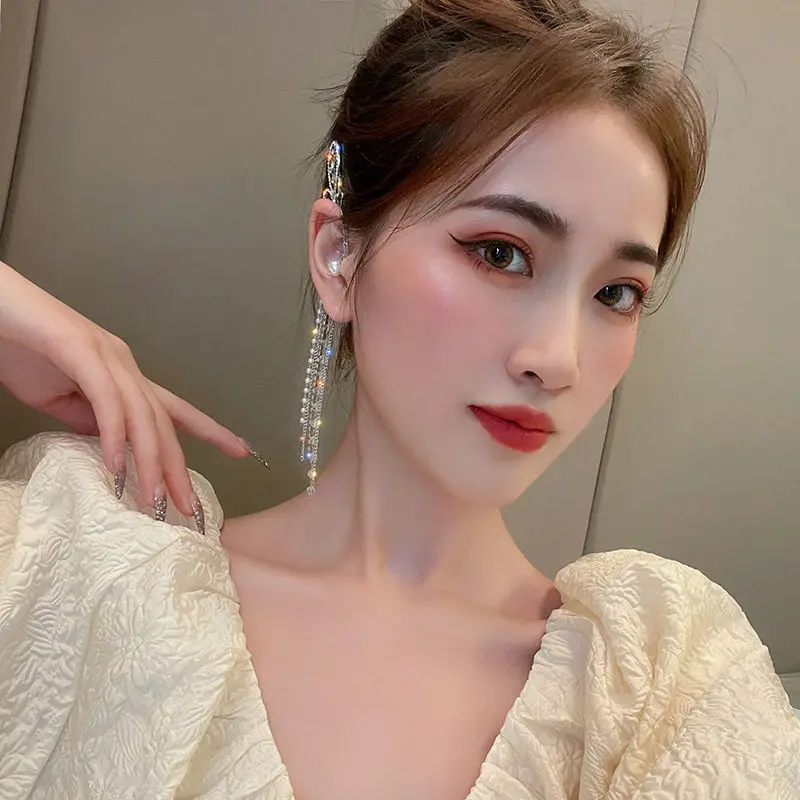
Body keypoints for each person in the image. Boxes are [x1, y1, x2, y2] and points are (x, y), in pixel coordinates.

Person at [0, 0, 798, 797]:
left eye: (617, 293)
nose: (557, 360)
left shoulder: (663, 689)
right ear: (340, 256)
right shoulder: (77, 572)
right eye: (501, 253)